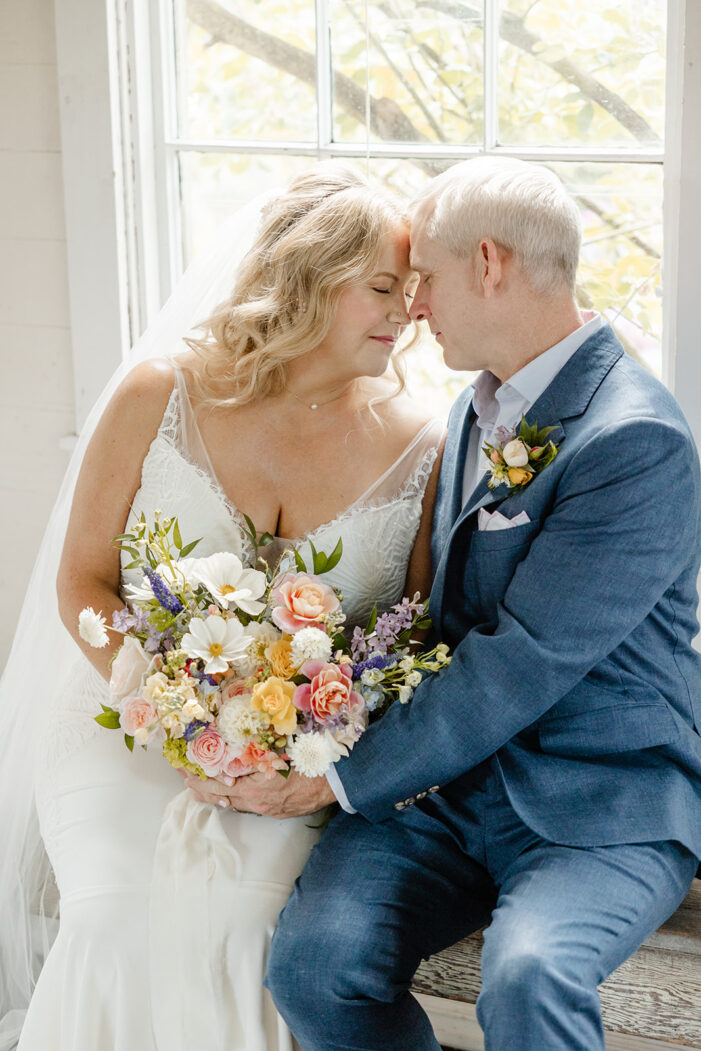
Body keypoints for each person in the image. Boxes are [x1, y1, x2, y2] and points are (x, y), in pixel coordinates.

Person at [204, 157, 701, 1051]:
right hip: (451, 793)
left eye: (422, 277)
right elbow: (434, 610)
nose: (414, 305)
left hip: (599, 801)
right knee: (313, 967)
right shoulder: (479, 403)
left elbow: (521, 656)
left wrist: (335, 777)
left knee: (528, 975)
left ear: (488, 263)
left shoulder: (636, 440)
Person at [0, 164, 444, 1051]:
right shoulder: (159, 393)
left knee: (247, 930)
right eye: (384, 288)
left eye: (415, 290)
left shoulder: (424, 442)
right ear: (310, 281)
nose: (409, 312)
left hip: (297, 755)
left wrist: (293, 741)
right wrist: (171, 707)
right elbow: (81, 582)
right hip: (116, 717)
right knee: (114, 914)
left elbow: (415, 628)